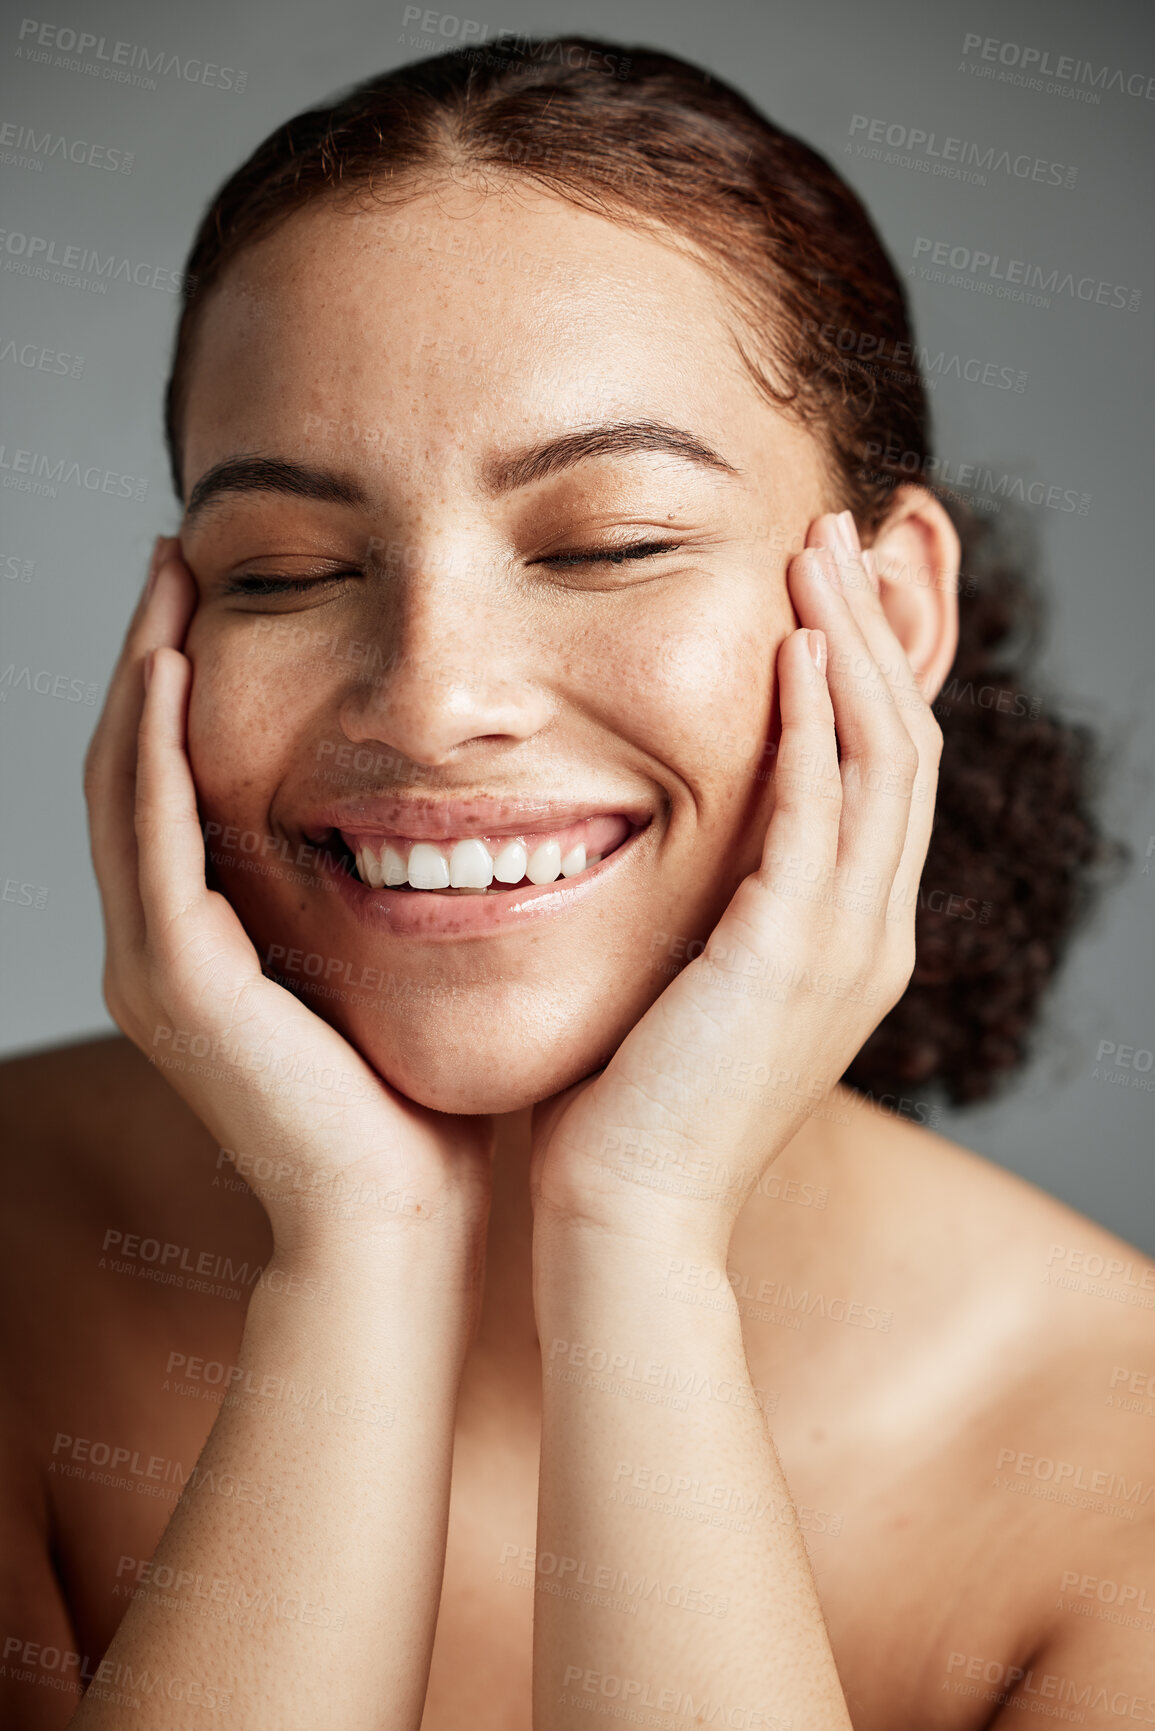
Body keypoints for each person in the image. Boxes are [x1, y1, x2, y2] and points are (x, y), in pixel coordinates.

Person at [1, 36, 1145, 1731]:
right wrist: (358, 1262)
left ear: (889, 623)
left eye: (606, 544)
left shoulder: (1120, 1463)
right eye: (288, 570)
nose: (432, 694)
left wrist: (638, 1245)